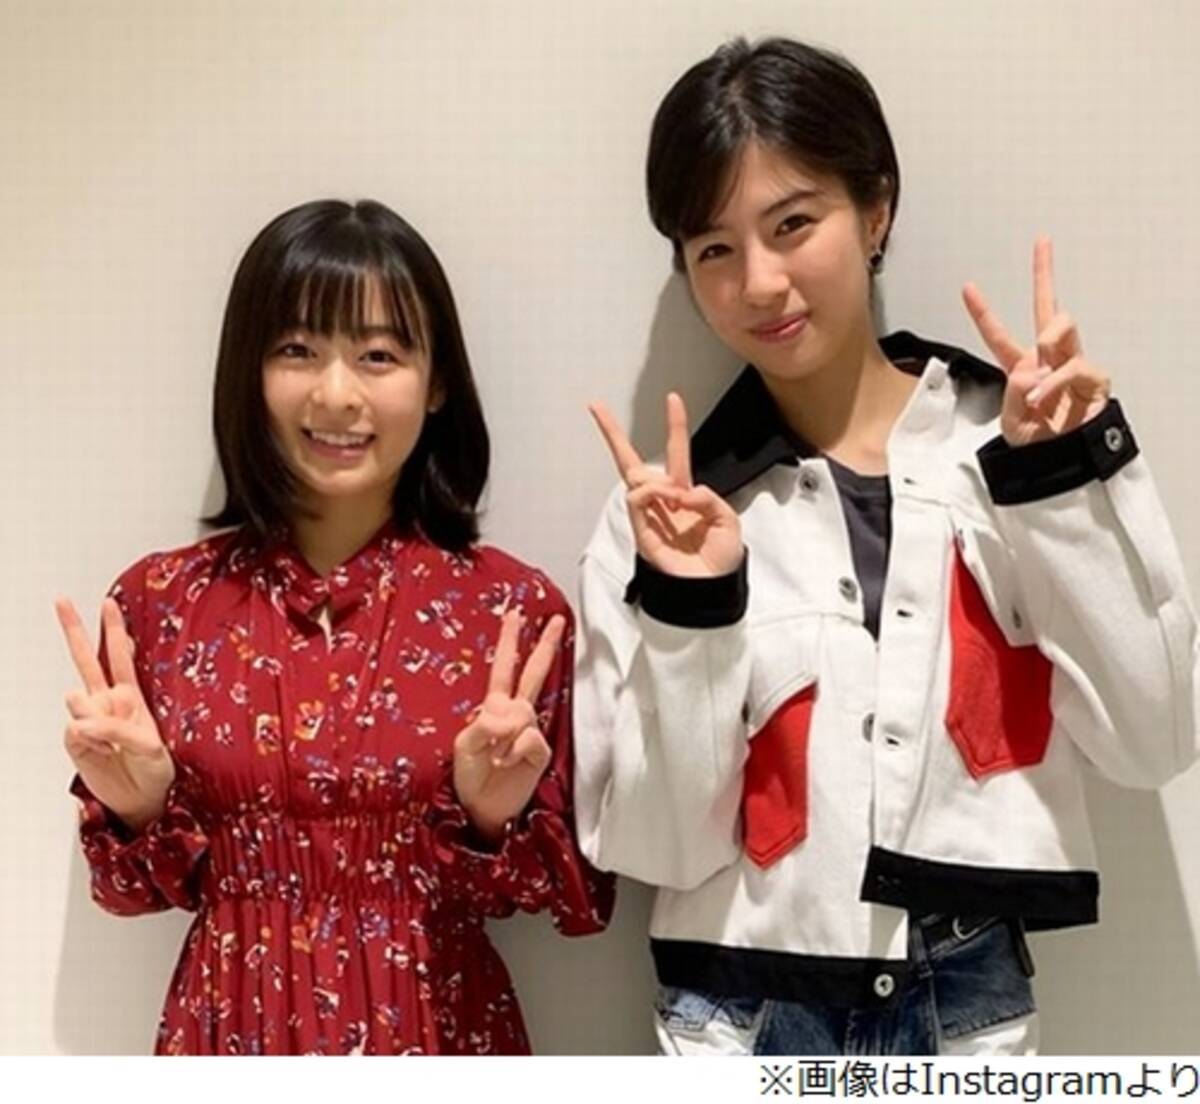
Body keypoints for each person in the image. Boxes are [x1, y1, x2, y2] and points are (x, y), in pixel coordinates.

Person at [573, 37, 1198, 1055]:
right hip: (737, 1018)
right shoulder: (662, 521)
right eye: (714, 250)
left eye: (793, 223)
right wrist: (692, 614)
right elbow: (657, 850)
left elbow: (1155, 740)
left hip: (968, 1006)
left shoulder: (1011, 449)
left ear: (875, 211)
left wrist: (1065, 481)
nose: (760, 282)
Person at [57, 198, 613, 1055]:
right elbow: (129, 893)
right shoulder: (160, 606)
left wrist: (487, 819)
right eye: (297, 350)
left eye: (379, 355)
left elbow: (568, 898)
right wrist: (140, 806)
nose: (337, 393)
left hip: (439, 1035)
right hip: (228, 1034)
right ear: (249, 372)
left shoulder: (509, 615)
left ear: (437, 383)